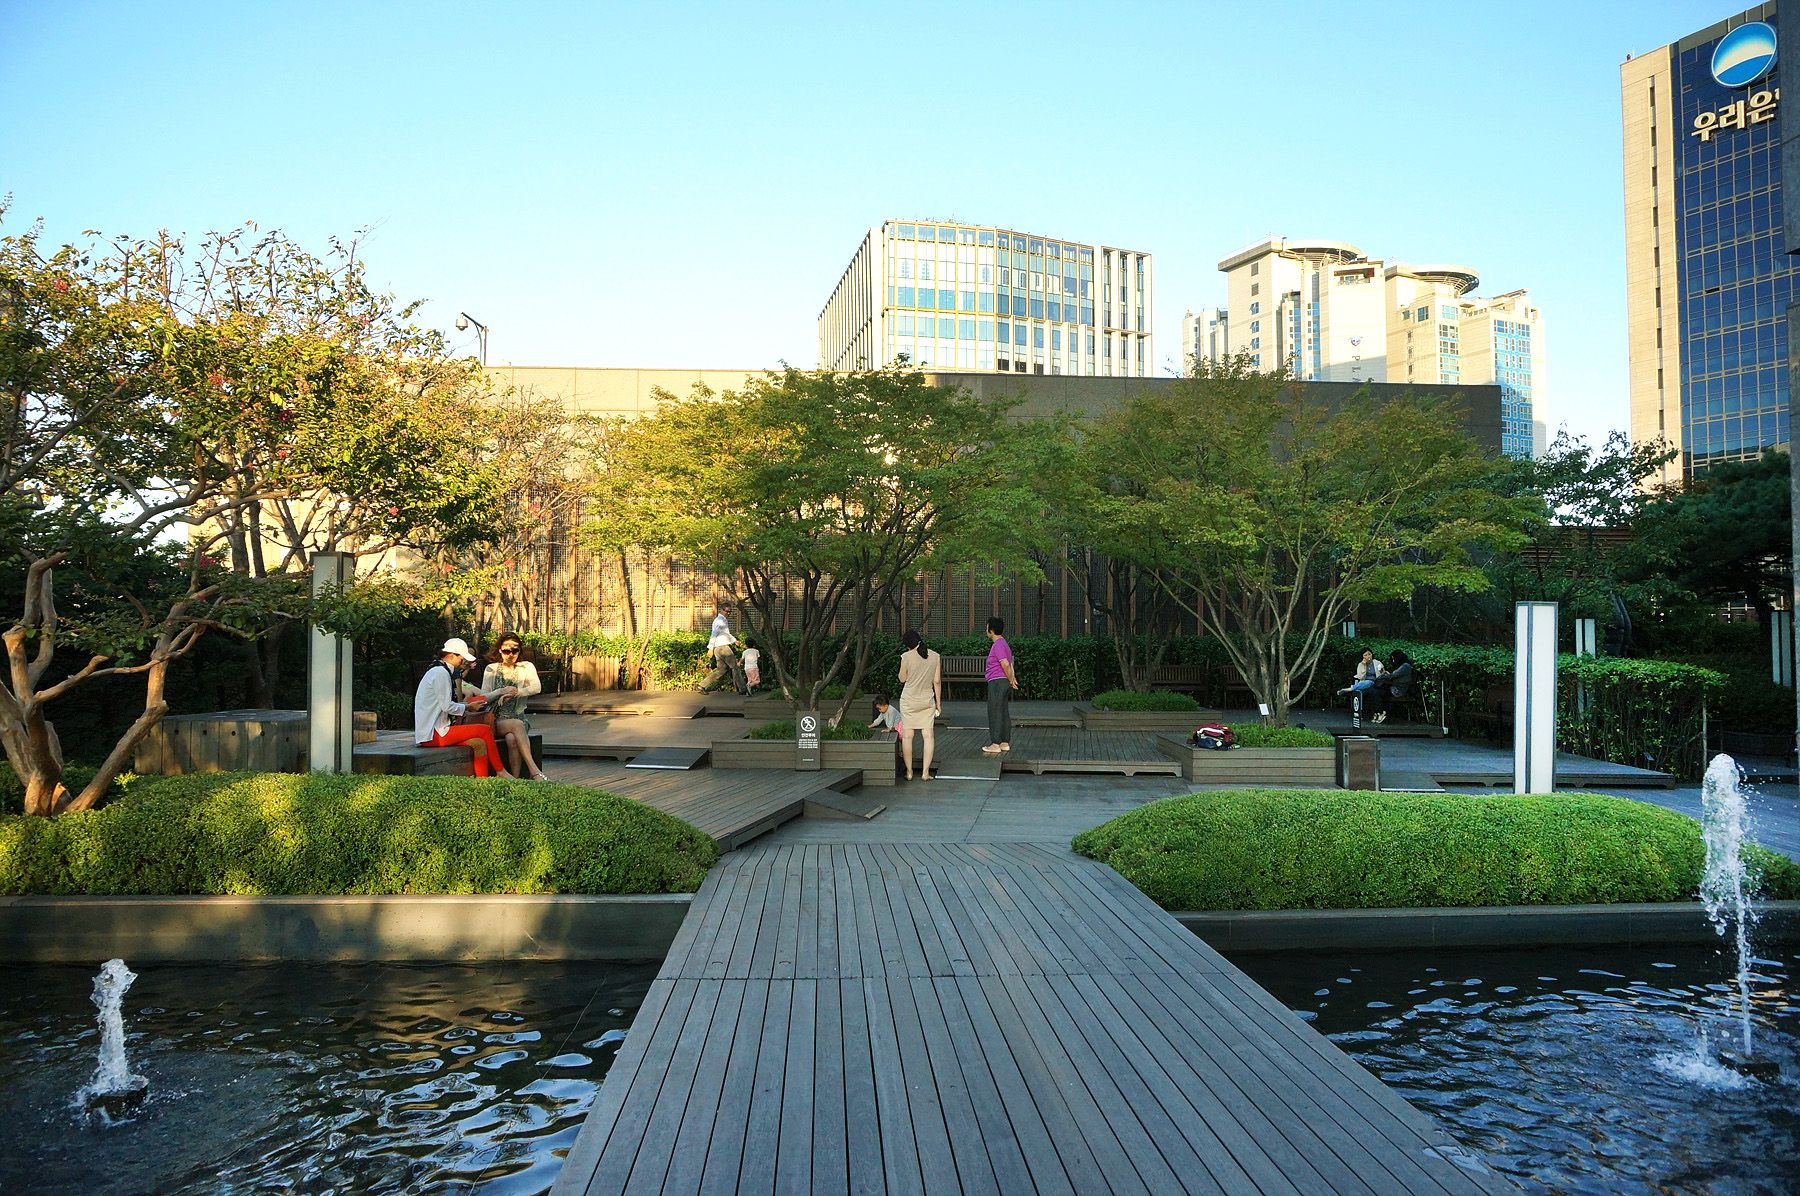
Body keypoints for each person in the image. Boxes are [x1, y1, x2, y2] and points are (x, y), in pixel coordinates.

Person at [414, 637, 513, 779]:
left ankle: (482, 782)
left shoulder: (439, 670)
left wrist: (468, 706)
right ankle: (501, 772)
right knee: (484, 730)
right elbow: (447, 706)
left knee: (479, 743)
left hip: (433, 731)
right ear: (451, 656)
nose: (464, 661)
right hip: (434, 733)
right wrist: (468, 707)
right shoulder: (440, 673)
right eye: (462, 657)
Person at [481, 633, 547, 781]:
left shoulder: (526, 667)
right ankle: (534, 771)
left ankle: (515, 780)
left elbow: (536, 687)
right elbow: (484, 697)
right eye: (506, 651)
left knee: (512, 738)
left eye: (515, 650)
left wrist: (517, 692)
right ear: (500, 650)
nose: (511, 654)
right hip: (495, 720)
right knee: (516, 725)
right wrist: (500, 692)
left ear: (519, 651)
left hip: (518, 718)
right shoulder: (491, 669)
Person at [896, 629, 942, 780]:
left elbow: (902, 679)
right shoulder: (935, 656)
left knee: (908, 736)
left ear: (908, 644)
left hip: (909, 701)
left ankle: (909, 772)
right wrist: (938, 703)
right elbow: (937, 682)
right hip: (926, 701)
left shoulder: (906, 656)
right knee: (928, 736)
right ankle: (925, 773)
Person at [980, 616, 1018, 755]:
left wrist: (1011, 679)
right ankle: (1004, 742)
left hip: (997, 682)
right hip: (1003, 681)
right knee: (1003, 711)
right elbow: (1010, 663)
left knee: (995, 711)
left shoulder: (998, 645)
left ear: (991, 630)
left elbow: (1005, 664)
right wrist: (1012, 679)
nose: (986, 630)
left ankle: (995, 743)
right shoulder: (1004, 644)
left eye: (987, 628)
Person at [698, 606, 748, 696]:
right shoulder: (720, 620)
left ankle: (701, 685)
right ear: (721, 610)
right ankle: (743, 689)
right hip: (723, 648)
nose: (728, 613)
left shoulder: (721, 620)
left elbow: (725, 634)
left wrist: (734, 641)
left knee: (721, 670)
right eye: (727, 611)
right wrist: (710, 648)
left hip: (718, 648)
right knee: (735, 667)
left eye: (730, 611)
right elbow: (714, 634)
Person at [1366, 650, 1415, 724]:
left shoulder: (1405, 666)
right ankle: (1379, 712)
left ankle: (1380, 712)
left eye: (1394, 659)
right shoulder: (1403, 666)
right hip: (1394, 688)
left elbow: (1393, 675)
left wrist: (1384, 674)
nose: (1393, 661)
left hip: (1398, 690)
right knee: (1373, 690)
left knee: (1375, 691)